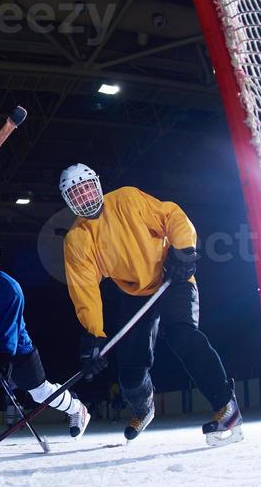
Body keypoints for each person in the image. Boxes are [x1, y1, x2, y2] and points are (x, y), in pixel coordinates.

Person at [59, 163, 242, 445]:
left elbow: (172, 215)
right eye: (76, 195)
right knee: (131, 370)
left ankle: (225, 405)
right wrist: (94, 333)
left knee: (182, 335)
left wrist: (183, 249)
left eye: (86, 188)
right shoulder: (77, 239)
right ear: (69, 203)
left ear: (97, 184)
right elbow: (85, 289)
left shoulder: (127, 199)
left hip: (173, 277)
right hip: (135, 294)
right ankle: (144, 408)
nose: (84, 197)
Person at [0, 238, 89, 444]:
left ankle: (78, 409)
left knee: (40, 393)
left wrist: (4, 358)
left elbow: (10, 327)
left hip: (16, 348)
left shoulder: (9, 288)